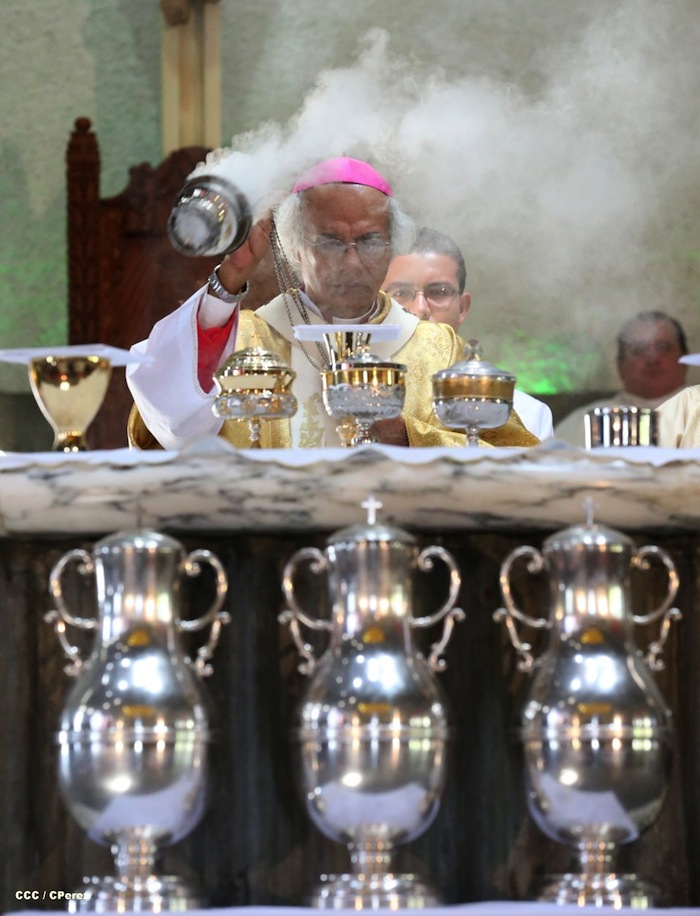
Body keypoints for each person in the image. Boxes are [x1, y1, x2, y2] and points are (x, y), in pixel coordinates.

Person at [126, 158, 539, 450]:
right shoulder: (243, 340)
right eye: (330, 242)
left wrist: (408, 435)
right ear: (294, 248)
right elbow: (167, 422)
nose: (352, 262)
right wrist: (229, 280)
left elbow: (512, 461)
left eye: (370, 241)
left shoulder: (436, 348)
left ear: (393, 246)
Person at [382, 227, 554, 440]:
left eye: (439, 292)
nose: (420, 309)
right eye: (400, 292)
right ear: (380, 304)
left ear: (462, 308)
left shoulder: (529, 415)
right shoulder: (365, 407)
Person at [554, 311, 689, 446]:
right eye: (638, 350)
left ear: (685, 358)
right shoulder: (585, 421)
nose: (652, 359)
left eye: (662, 348)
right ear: (620, 365)